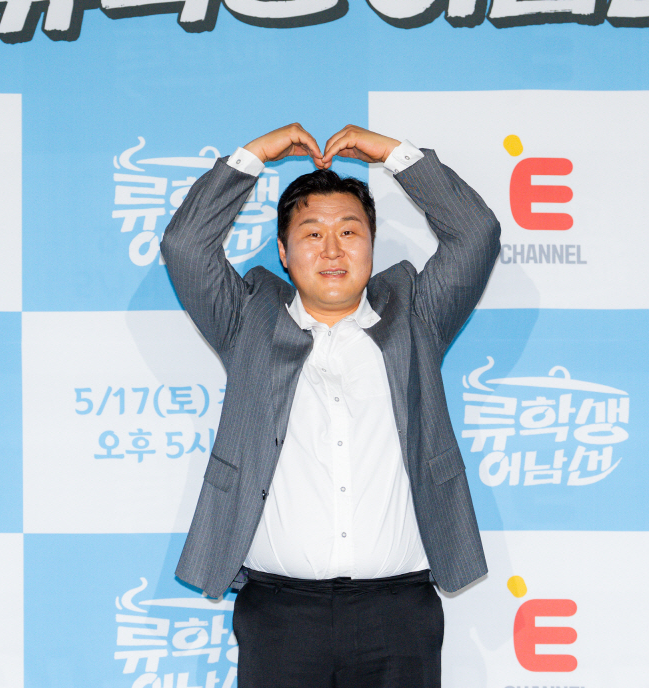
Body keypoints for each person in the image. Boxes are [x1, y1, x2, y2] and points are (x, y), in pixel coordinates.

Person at [161, 123, 501, 687]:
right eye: (312, 233)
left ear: (372, 243)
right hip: (280, 616)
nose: (332, 250)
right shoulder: (248, 321)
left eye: (349, 231)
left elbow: (476, 233)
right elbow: (185, 246)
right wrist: (254, 156)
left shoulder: (416, 315)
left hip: (399, 615)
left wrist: (395, 155)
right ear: (283, 251)